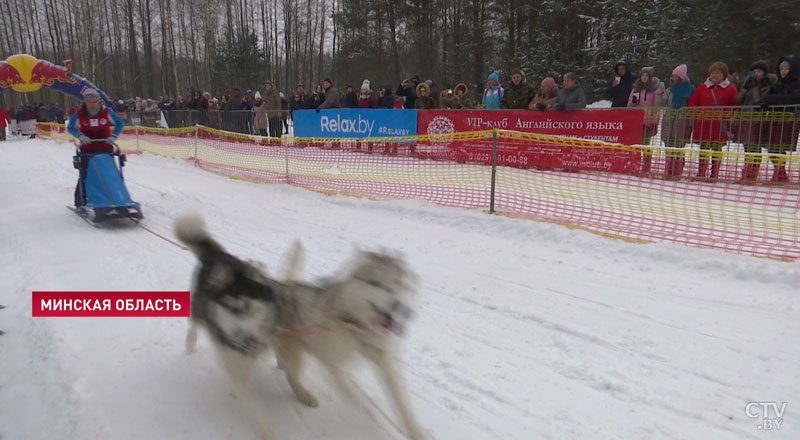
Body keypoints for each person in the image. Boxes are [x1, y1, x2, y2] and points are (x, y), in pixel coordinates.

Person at [67, 89, 125, 208]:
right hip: (87, 149)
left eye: (94, 102)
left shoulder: (106, 112)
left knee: (109, 173)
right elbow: (70, 127)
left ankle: (115, 198)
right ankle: (81, 201)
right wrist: (80, 136)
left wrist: (113, 136)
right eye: (89, 102)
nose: (92, 104)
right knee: (85, 174)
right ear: (85, 103)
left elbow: (119, 123)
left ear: (99, 102)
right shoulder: (79, 114)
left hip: (105, 147)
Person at [688, 61, 738, 181]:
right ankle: (701, 173)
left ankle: (714, 174)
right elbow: (693, 102)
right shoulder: (702, 87)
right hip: (704, 123)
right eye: (712, 73)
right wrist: (698, 113)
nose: (714, 75)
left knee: (716, 149)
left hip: (718, 125)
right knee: (703, 148)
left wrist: (725, 114)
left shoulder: (730, 89)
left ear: (723, 75)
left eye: (717, 73)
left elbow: (735, 105)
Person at [734, 60, 777, 182]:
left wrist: (754, 88)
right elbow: (738, 99)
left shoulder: (767, 86)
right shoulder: (749, 83)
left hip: (758, 119)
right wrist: (745, 87)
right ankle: (747, 171)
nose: (756, 73)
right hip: (745, 118)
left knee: (755, 147)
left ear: (764, 73)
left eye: (759, 71)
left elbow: (758, 100)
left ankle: (753, 173)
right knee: (747, 147)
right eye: (754, 71)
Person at [759, 56, 800, 183]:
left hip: (788, 119)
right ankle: (780, 173)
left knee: (780, 147)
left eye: (786, 68)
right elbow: (768, 97)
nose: (783, 71)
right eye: (781, 68)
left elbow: (792, 99)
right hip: (774, 119)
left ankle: (780, 174)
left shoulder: (797, 83)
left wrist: (770, 100)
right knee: (771, 146)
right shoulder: (778, 83)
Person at [658, 64, 695, 179]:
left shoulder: (690, 90)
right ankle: (669, 170)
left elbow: (692, 106)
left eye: (675, 76)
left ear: (681, 77)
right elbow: (661, 104)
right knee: (668, 146)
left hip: (681, 121)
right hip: (669, 121)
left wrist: (690, 122)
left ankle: (677, 171)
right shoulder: (669, 91)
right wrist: (660, 94)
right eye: (672, 76)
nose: (672, 78)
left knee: (678, 146)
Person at [627, 67, 665, 175]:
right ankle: (635, 165)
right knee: (636, 145)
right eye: (642, 75)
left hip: (648, 122)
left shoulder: (654, 90)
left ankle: (646, 167)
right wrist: (633, 102)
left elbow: (656, 107)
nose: (644, 77)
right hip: (637, 121)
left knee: (645, 144)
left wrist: (654, 121)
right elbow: (630, 104)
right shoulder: (636, 89)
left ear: (650, 77)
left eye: (646, 75)